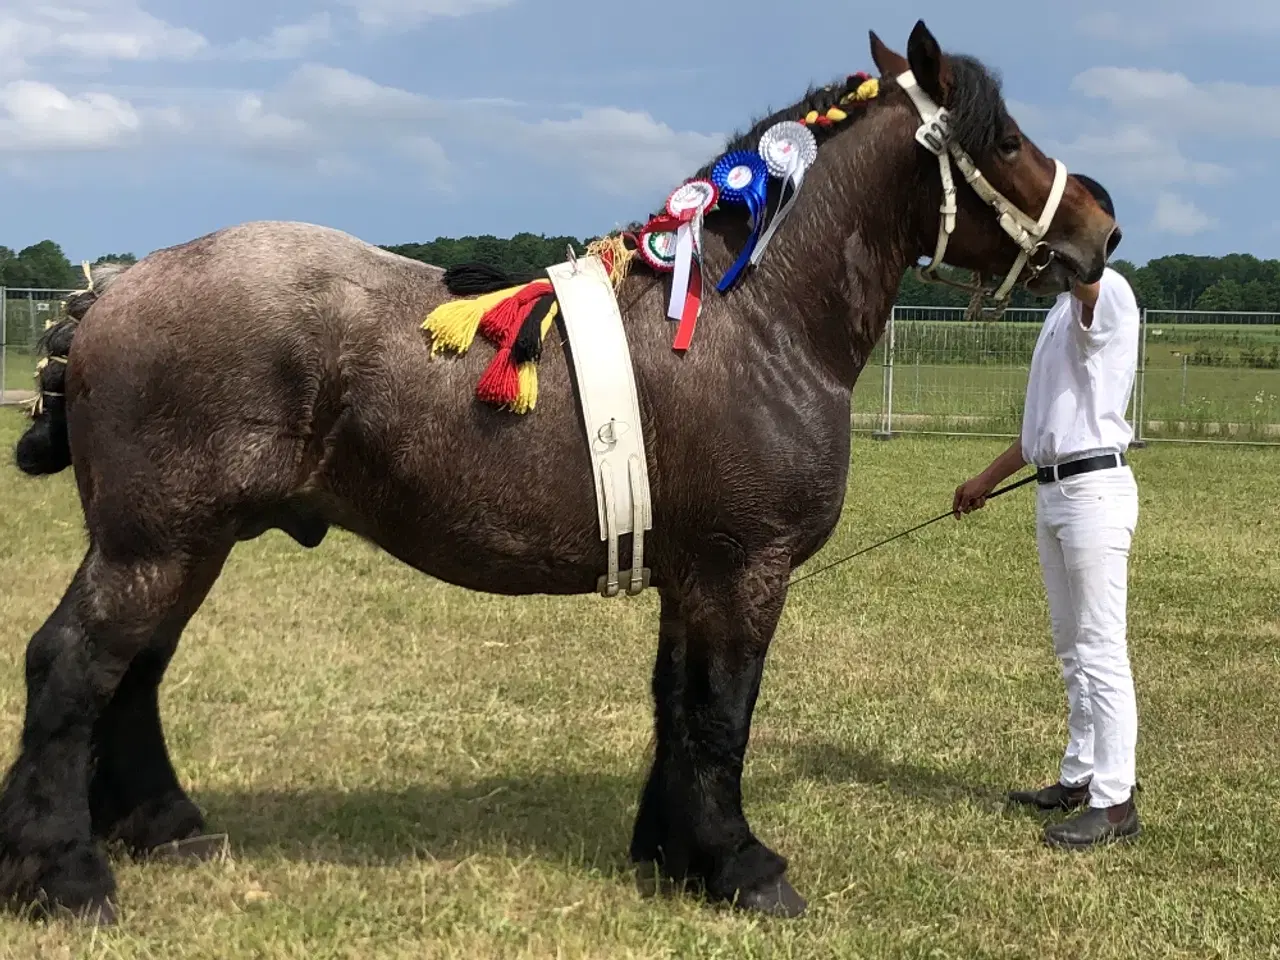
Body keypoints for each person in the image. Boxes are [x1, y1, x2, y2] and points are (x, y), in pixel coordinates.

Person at [952, 174, 1142, 850]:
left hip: (1093, 493)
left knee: (1100, 647)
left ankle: (1116, 800)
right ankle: (1081, 775)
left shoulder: (1106, 293)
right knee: (1073, 650)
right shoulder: (1058, 314)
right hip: (1056, 489)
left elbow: (1087, 281)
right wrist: (983, 478)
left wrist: (1071, 240)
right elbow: (1043, 430)